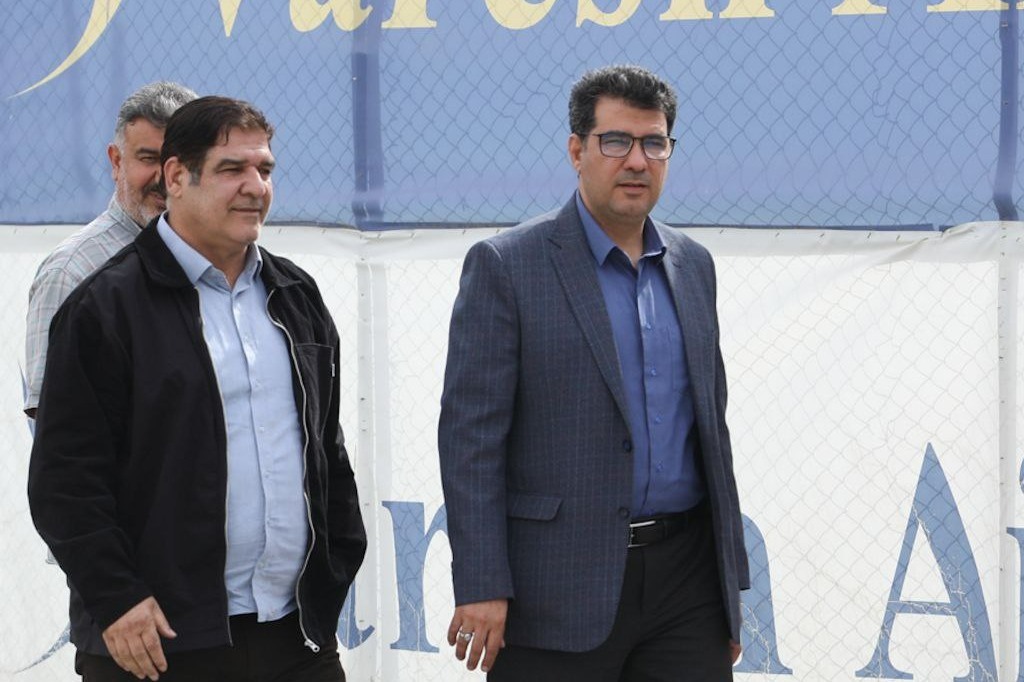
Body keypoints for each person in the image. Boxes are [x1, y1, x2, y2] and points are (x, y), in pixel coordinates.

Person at [28, 96, 367, 682]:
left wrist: (335, 568)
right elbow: (65, 480)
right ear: (177, 177)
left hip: (295, 637)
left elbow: (325, 452)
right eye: (232, 169)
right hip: (158, 645)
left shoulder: (296, 296)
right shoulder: (104, 307)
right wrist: (116, 598)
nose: (255, 187)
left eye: (264, 169)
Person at [438, 64, 749, 681]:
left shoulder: (694, 266)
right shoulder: (508, 266)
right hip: (555, 587)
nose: (636, 160)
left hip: (687, 588)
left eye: (654, 143)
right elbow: (471, 439)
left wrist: (727, 592)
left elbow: (711, 432)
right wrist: (481, 581)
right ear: (577, 150)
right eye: (616, 141)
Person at [23, 81, 197, 418]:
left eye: (180, 162)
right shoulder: (72, 272)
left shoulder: (224, 264)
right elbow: (59, 426)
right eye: (148, 158)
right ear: (116, 162)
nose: (164, 177)